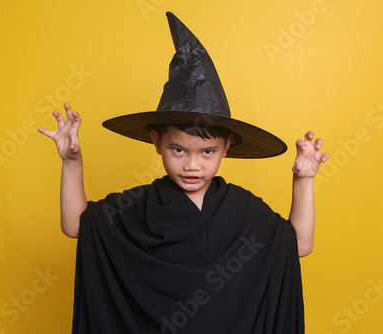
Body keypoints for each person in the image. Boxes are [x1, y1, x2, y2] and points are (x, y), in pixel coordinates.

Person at [39, 12, 328, 334]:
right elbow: (76, 225)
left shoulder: (244, 211)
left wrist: (303, 180)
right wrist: (70, 162)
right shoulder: (137, 207)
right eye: (179, 150)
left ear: (227, 145)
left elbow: (298, 244)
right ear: (156, 141)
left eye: (208, 152)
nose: (192, 165)